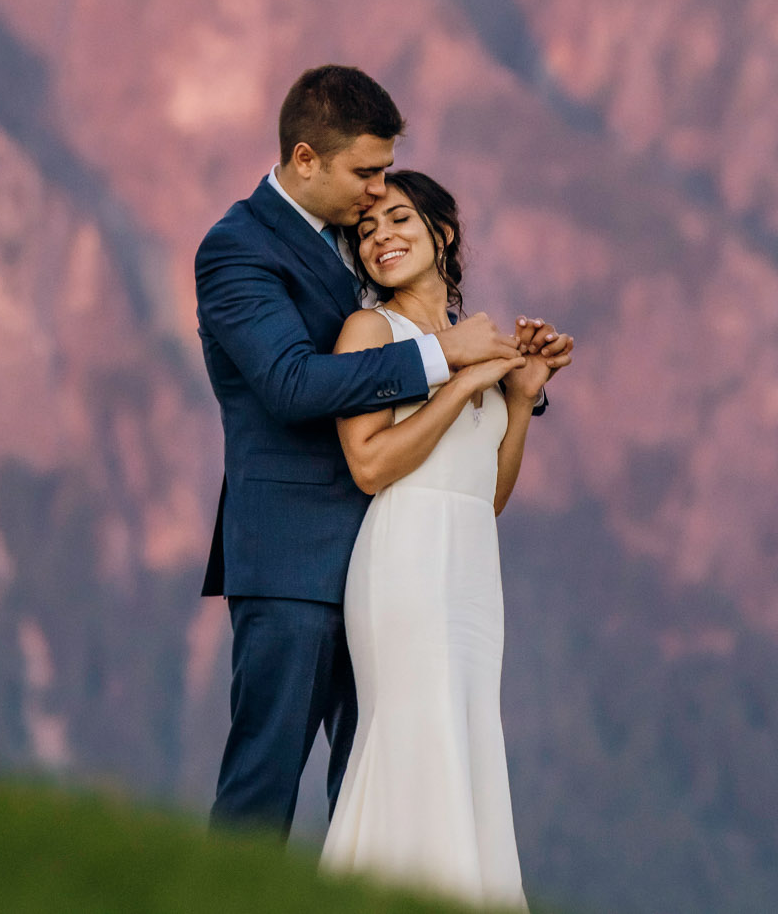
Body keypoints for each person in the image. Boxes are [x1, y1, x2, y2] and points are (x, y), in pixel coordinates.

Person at [196, 64, 568, 834]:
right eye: (366, 173)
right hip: (293, 564)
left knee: (377, 799)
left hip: (393, 572)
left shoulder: (359, 243)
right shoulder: (235, 250)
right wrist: (447, 360)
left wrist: (508, 382)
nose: (376, 196)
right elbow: (294, 384)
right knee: (262, 790)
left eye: (388, 176)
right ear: (306, 159)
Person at [318, 171, 567, 909]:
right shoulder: (371, 332)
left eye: (398, 218)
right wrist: (458, 377)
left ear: (442, 232)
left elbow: (484, 494)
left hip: (469, 575)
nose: (380, 236)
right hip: (403, 560)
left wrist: (517, 398)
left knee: (465, 738)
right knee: (413, 731)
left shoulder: (479, 344)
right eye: (365, 231)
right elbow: (371, 464)